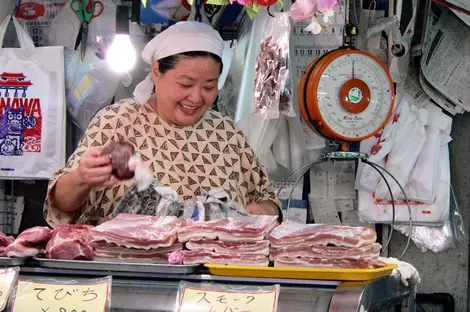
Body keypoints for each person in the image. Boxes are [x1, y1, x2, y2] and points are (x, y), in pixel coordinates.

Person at [43, 21, 282, 227]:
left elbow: (268, 199)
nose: (197, 98)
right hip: (130, 269)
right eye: (186, 84)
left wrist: (265, 210)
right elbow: (61, 206)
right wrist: (81, 178)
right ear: (156, 71)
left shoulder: (226, 133)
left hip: (211, 272)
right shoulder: (117, 122)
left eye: (209, 87)